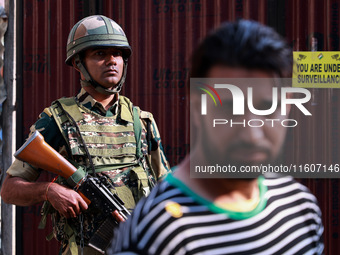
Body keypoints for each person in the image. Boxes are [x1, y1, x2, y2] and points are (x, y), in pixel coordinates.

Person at [108, 20, 324, 255]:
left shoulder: (300, 207)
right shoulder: (154, 232)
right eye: (230, 108)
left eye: (268, 107)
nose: (251, 133)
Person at [1, 15, 170, 255]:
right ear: (78, 63)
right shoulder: (57, 119)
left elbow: (168, 189)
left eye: (118, 54)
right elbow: (9, 190)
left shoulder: (141, 121)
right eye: (100, 54)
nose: (112, 61)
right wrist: (49, 191)